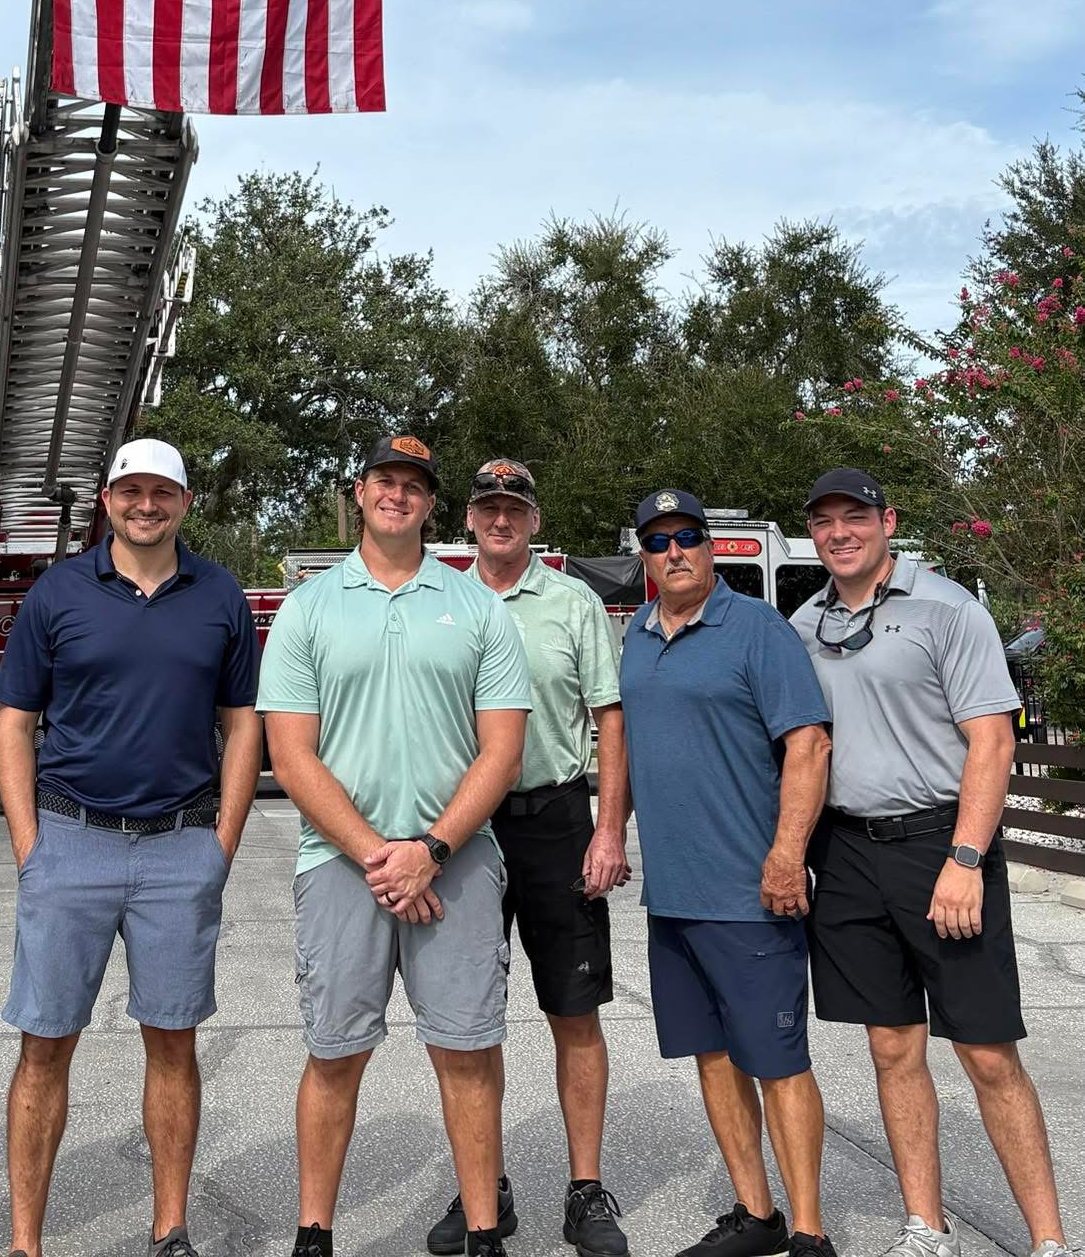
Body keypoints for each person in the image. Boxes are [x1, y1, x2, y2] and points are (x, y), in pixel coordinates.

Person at [259, 434, 532, 1257]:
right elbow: (290, 756)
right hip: (342, 865)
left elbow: (502, 752)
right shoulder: (309, 607)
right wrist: (382, 854)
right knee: (334, 1054)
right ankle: (314, 1233)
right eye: (385, 479)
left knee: (467, 1053)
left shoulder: (476, 607)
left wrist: (432, 850)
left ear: (431, 504)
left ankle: (483, 1232)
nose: (397, 494)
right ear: (360, 490)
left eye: (414, 485)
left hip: (459, 862)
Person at [791, 468, 1072, 1257]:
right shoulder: (806, 622)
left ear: (887, 522)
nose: (839, 532)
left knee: (986, 1051)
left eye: (855, 517)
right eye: (824, 521)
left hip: (940, 845)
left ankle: (1049, 1241)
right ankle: (926, 1227)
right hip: (848, 851)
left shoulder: (949, 609)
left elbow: (993, 740)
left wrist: (966, 859)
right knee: (891, 1046)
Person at [0, 437, 262, 1257]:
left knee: (173, 1041)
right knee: (45, 1046)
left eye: (162, 492)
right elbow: (15, 723)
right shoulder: (58, 592)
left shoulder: (219, 595)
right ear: (108, 500)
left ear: (185, 502)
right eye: (131, 491)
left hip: (180, 847)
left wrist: (222, 842)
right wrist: (31, 845)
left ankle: (170, 1228)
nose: (146, 505)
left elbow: (242, 724)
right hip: (70, 839)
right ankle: (26, 1242)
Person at [620, 489, 835, 1257]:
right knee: (712, 1056)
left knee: (777, 1062)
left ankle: (808, 1231)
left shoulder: (757, 628)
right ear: (644, 556)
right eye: (658, 541)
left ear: (711, 546)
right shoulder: (638, 635)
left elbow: (809, 744)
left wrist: (787, 856)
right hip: (672, 895)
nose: (674, 551)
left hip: (750, 893)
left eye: (687, 536)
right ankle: (757, 1214)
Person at [445, 459, 629, 1257]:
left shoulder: (573, 602)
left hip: (556, 817)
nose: (500, 519)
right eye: (487, 507)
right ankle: (483, 1187)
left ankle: (585, 1191)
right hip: (466, 827)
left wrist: (608, 828)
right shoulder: (441, 600)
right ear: (468, 517)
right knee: (468, 1017)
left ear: (534, 520)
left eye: (513, 508)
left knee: (574, 1010)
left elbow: (609, 717)